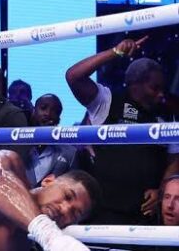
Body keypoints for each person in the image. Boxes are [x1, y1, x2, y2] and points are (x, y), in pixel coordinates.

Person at [66, 36, 170, 224]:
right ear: (135, 83)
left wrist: (162, 190)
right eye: (154, 88)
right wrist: (116, 52)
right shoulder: (107, 101)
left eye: (162, 88)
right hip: (103, 214)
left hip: (143, 217)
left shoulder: (165, 115)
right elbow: (74, 76)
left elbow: (174, 159)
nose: (160, 94)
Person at [25, 94, 77, 188]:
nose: (48, 113)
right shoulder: (18, 146)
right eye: (43, 108)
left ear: (59, 118)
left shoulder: (71, 153)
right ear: (33, 111)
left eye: (54, 111)